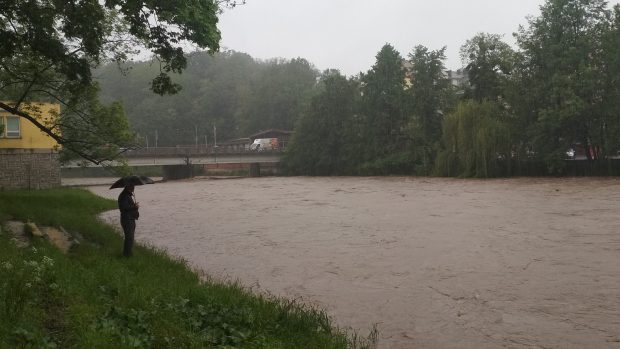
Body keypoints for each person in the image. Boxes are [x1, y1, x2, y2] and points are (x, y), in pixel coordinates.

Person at [118, 185, 140, 257]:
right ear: (128, 188)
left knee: (130, 237)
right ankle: (127, 254)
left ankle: (127, 253)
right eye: (132, 188)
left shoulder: (127, 195)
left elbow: (127, 206)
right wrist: (134, 206)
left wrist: (134, 205)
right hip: (127, 219)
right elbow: (124, 208)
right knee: (129, 237)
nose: (133, 189)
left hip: (130, 218)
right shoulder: (124, 196)